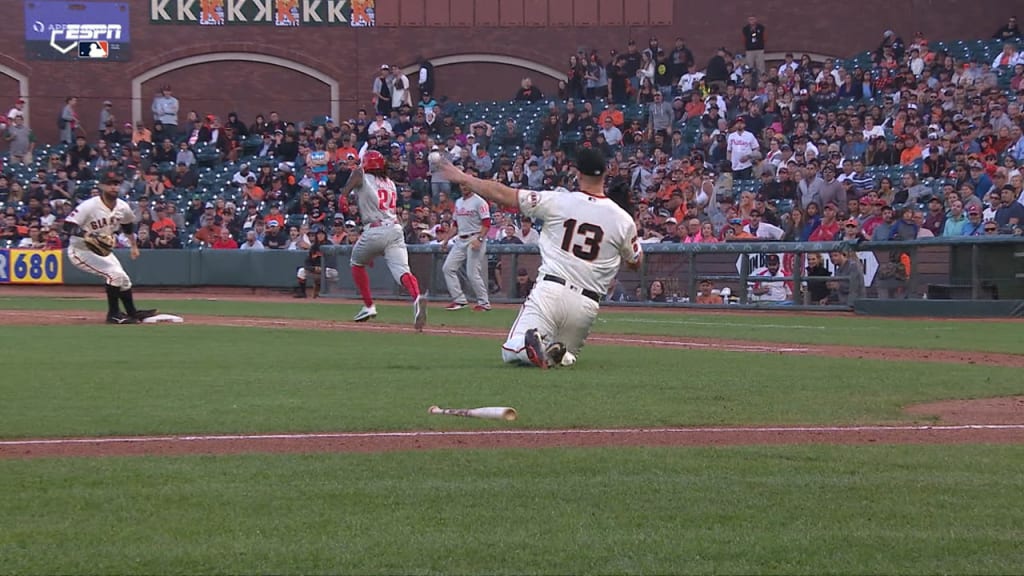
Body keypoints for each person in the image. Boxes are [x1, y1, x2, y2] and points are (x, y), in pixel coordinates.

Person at [435, 147, 642, 369]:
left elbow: (504, 194)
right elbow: (635, 263)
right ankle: (558, 353)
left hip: (551, 291)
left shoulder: (558, 201)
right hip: (586, 305)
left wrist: (464, 177)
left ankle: (529, 346)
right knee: (561, 361)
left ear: (578, 174)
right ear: (604, 174)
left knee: (511, 350)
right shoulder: (623, 219)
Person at [340, 150, 427, 330]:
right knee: (403, 271)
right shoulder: (391, 183)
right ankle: (417, 297)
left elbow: (356, 174)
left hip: (375, 229)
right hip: (395, 229)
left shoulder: (362, 175)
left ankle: (369, 305)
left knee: (356, 262)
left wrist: (343, 195)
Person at [63, 172, 157, 324]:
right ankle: (113, 314)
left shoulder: (122, 206)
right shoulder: (89, 206)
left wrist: (133, 246)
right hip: (81, 250)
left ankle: (132, 312)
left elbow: (127, 226)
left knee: (124, 280)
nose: (114, 187)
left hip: (102, 250)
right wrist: (88, 235)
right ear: (102, 186)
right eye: (110, 184)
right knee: (114, 275)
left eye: (116, 184)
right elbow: (68, 225)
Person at [441, 180, 492, 311]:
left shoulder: (479, 201)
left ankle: (484, 303)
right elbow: (456, 225)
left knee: (472, 272)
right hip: (461, 238)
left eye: (466, 185)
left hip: (475, 237)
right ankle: (459, 300)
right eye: (462, 185)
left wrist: (480, 239)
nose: (464, 187)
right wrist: (446, 240)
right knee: (448, 268)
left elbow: (486, 223)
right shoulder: (458, 202)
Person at [293, 225, 338, 299]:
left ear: (325, 235)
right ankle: (302, 292)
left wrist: (322, 268)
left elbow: (332, 261)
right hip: (315, 269)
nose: (320, 236)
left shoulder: (329, 245)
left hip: (328, 269)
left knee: (331, 272)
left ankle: (325, 292)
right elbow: (307, 261)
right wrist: (313, 268)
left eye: (322, 234)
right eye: (318, 234)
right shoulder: (314, 247)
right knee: (301, 271)